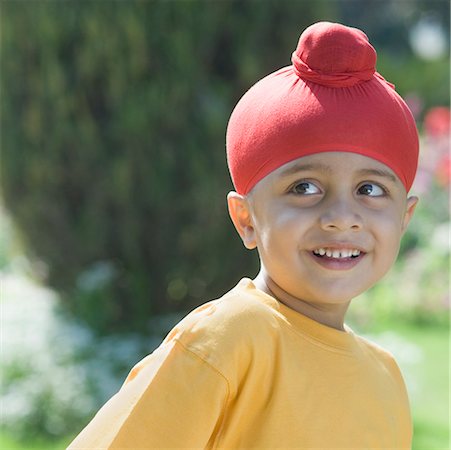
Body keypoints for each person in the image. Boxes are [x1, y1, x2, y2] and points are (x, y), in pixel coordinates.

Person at [68, 21, 419, 449]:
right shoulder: (228, 341)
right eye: (304, 187)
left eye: (370, 189)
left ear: (405, 217)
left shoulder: (384, 379)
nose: (341, 217)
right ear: (245, 218)